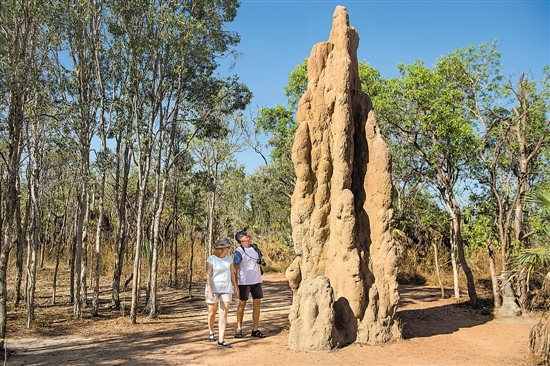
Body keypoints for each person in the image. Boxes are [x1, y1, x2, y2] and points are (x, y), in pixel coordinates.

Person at [233, 228, 267, 338]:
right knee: (242, 304)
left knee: (257, 304)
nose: (247, 235)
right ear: (240, 240)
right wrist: (235, 285)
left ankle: (255, 329)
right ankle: (239, 328)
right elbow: (235, 268)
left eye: (246, 234)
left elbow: (260, 261)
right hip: (244, 282)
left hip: (256, 280)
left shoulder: (255, 248)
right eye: (244, 235)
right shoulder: (238, 252)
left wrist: (261, 263)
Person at [205, 237, 239, 348]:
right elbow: (208, 275)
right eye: (227, 247)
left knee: (223, 313)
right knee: (212, 312)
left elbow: (232, 273)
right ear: (221, 248)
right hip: (213, 288)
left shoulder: (229, 259)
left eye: (229, 247)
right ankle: (211, 331)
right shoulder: (212, 259)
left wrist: (235, 286)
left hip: (226, 288)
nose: (229, 248)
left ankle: (221, 339)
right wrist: (209, 290)